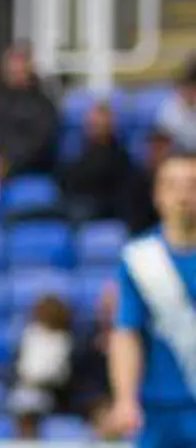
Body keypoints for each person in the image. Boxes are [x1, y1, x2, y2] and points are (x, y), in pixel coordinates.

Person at [109, 151, 196, 448]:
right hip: (158, 412)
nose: (183, 195)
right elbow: (126, 333)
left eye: (192, 185)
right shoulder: (139, 259)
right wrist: (124, 399)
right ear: (158, 194)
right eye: (173, 185)